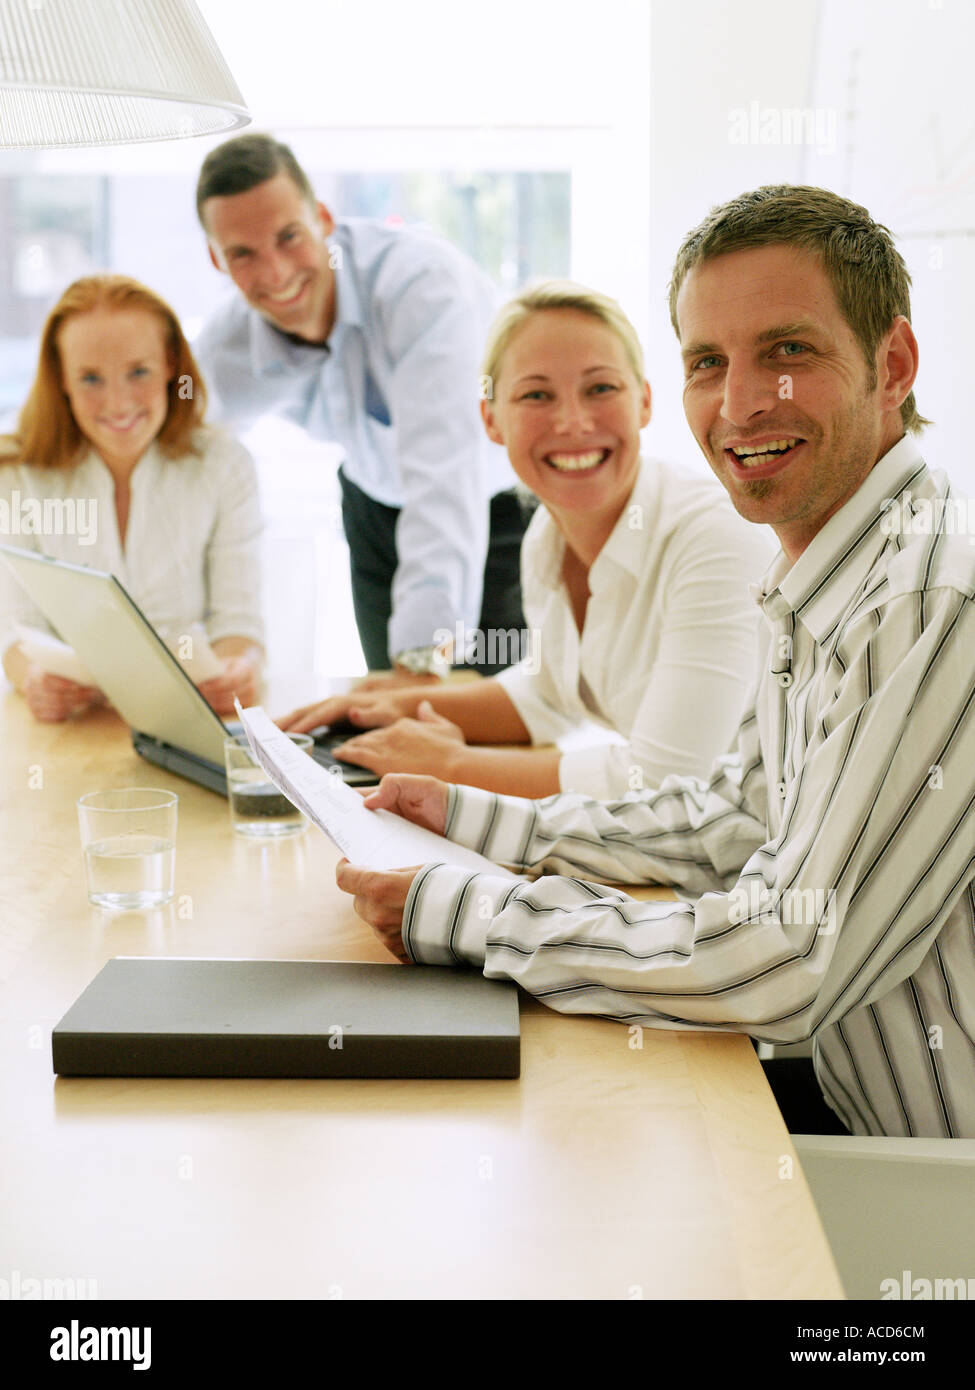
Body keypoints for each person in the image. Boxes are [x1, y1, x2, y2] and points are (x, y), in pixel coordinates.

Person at [336, 185, 975, 1140]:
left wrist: (472, 915)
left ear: (894, 365)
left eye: (788, 351)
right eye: (708, 362)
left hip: (924, 1179)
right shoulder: (826, 574)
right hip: (850, 1105)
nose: (741, 401)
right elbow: (729, 821)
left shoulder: (926, 601)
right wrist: (471, 817)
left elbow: (782, 959)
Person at [282, 281, 773, 799]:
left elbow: (665, 782)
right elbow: (549, 690)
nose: (573, 423)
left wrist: (452, 764)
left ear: (645, 403)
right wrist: (389, 709)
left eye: (601, 388)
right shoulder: (546, 535)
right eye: (536, 394)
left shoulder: (714, 537)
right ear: (491, 420)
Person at [193, 132, 529, 680]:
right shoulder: (227, 347)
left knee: (487, 726)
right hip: (370, 507)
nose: (276, 273)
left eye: (289, 237)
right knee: (390, 713)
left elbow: (442, 477)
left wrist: (423, 655)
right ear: (217, 259)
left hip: (488, 511)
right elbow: (169, 445)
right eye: (243, 254)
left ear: (323, 218)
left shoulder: (423, 291)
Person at [0, 274, 265, 721]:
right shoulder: (17, 475)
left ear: (170, 366)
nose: (118, 403)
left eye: (138, 371)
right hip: (74, 729)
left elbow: (238, 623)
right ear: (61, 380)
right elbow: (14, 631)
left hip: (188, 721)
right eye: (90, 378)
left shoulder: (224, 465)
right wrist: (34, 680)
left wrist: (239, 669)